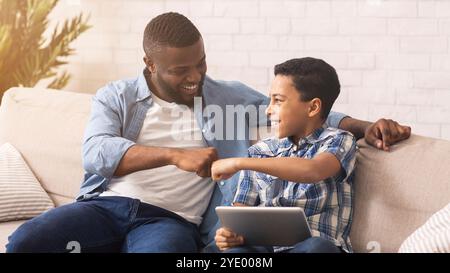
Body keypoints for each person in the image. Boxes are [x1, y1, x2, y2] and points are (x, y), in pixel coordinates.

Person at [6, 12, 411, 253]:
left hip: (170, 220)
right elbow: (96, 153)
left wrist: (361, 125)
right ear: (150, 63)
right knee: (25, 243)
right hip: (105, 206)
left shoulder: (226, 97)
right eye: (181, 70)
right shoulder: (118, 97)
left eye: (200, 63)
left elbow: (304, 109)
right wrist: (175, 156)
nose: (195, 76)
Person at [211, 57, 356, 253]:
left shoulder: (340, 140)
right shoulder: (259, 152)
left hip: (314, 245)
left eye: (278, 100)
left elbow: (312, 170)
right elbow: (239, 218)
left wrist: (239, 163)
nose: (268, 110)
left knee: (317, 248)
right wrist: (230, 236)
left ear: (312, 107)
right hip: (265, 248)